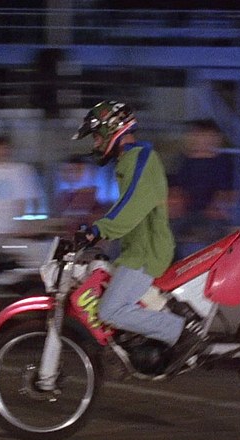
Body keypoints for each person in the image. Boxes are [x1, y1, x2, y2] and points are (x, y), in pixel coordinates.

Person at [72, 100, 204, 374]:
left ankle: (180, 332)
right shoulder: (129, 161)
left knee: (110, 311)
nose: (96, 144)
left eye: (97, 137)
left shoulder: (140, 159)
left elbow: (132, 205)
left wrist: (98, 230)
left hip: (146, 252)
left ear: (112, 130)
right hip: (135, 250)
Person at [168, 119, 236, 259]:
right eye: (197, 135)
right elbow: (176, 187)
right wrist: (176, 203)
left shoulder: (222, 162)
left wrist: (218, 206)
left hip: (212, 215)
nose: (202, 140)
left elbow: (227, 191)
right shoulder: (183, 161)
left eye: (207, 135)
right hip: (186, 212)